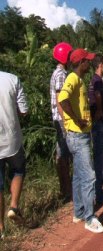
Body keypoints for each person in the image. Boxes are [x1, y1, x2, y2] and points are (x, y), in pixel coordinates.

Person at [58, 48, 103, 233]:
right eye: (87, 60)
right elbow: (63, 99)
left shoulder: (79, 80)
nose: (89, 63)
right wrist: (76, 120)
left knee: (78, 174)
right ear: (80, 63)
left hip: (78, 135)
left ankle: (78, 211)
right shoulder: (73, 78)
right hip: (78, 135)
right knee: (89, 176)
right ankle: (89, 217)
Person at [0, 71, 28, 238]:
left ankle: (1, 228)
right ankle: (14, 206)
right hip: (12, 139)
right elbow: (24, 110)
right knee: (18, 170)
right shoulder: (12, 79)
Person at [50, 42, 73, 201]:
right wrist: (66, 121)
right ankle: (66, 190)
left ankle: (66, 190)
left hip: (60, 119)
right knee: (64, 154)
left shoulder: (60, 73)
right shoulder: (61, 75)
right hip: (62, 119)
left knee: (63, 154)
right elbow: (60, 100)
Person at [89, 54, 103, 204]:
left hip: (95, 121)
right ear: (100, 65)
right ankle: (98, 191)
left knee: (98, 155)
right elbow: (97, 95)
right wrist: (101, 111)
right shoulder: (97, 80)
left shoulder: (93, 79)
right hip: (98, 122)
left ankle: (98, 190)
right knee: (99, 156)